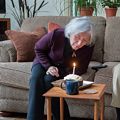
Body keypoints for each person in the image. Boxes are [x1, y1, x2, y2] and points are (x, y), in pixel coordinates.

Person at [27, 16, 95, 120]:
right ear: (71, 32)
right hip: (43, 62)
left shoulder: (88, 47)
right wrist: (48, 66)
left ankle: (62, 117)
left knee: (49, 81)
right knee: (35, 79)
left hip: (63, 70)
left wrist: (66, 76)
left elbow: (82, 67)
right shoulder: (57, 34)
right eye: (77, 37)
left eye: (84, 40)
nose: (80, 43)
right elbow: (38, 48)